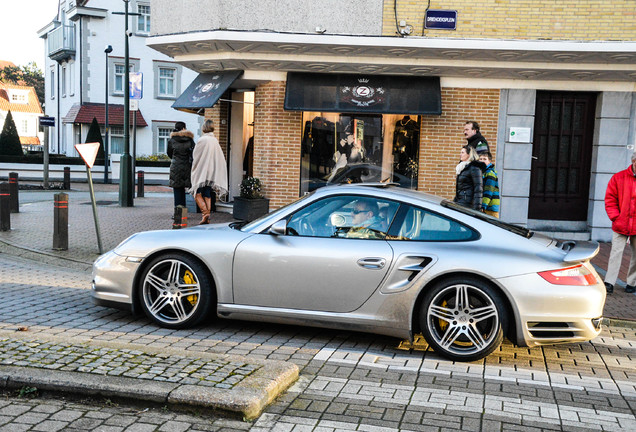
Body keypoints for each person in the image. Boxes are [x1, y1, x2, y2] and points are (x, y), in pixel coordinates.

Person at [603, 151, 636, 294]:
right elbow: (610, 199)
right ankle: (609, 282)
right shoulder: (618, 177)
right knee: (615, 253)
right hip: (620, 223)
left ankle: (632, 283)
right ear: (633, 161)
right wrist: (616, 217)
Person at [189, 119, 228, 225]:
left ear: (204, 127)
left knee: (197, 192)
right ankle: (207, 216)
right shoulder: (214, 140)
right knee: (207, 192)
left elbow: (196, 155)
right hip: (212, 170)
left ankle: (205, 213)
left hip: (202, 169)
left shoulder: (203, 139)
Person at [167, 121, 195, 209]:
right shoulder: (190, 140)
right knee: (185, 187)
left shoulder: (172, 140)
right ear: (184, 128)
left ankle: (178, 210)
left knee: (177, 188)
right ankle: (184, 209)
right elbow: (193, 153)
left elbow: (169, 154)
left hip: (176, 167)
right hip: (187, 166)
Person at [454, 145, 486, 210]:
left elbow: (478, 188)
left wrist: (477, 208)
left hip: (468, 203)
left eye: (462, 153)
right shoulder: (462, 167)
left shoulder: (474, 168)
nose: (460, 154)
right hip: (460, 201)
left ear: (469, 154)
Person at [479, 151, 500, 218]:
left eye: (485, 159)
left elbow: (489, 191)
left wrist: (483, 206)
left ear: (490, 161)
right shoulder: (483, 172)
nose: (482, 161)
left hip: (490, 208)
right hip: (487, 206)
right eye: (480, 159)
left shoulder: (490, 173)